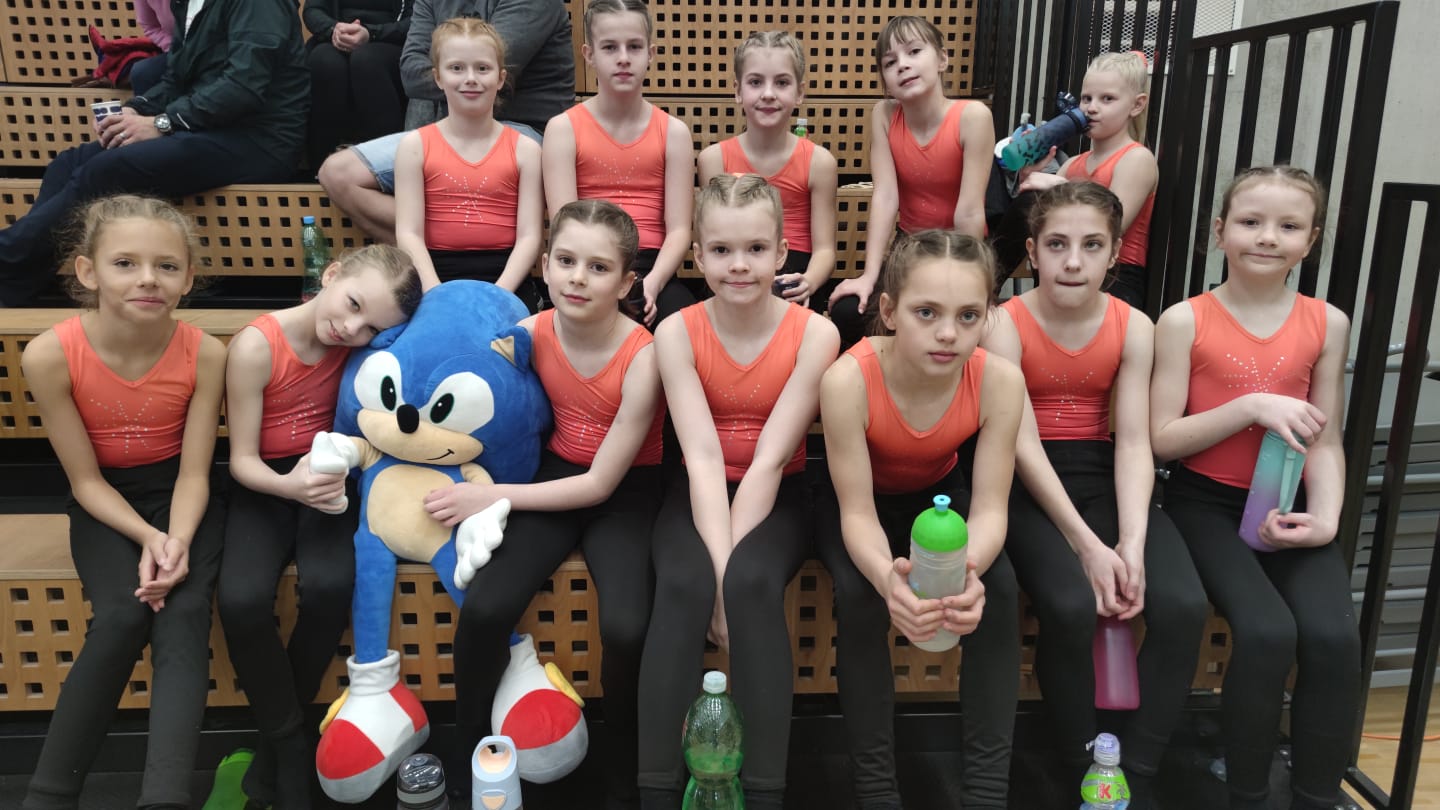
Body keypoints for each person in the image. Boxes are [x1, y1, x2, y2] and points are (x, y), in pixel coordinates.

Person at [425, 200, 665, 807]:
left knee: (626, 626)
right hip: (551, 475)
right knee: (485, 608)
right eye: (566, 261)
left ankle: (623, 764)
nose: (578, 278)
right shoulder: (528, 334)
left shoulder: (645, 356)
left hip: (625, 490)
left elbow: (600, 485)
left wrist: (489, 495)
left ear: (627, 282)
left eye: (599, 267)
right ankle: (471, 752)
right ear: (545, 265)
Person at [981, 182, 1205, 808]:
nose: (1073, 261)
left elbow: (1132, 441)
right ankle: (1083, 754)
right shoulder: (1004, 322)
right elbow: (1020, 443)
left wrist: (1130, 542)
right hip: (1025, 483)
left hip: (1105, 475)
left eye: (1090, 246)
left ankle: (1138, 761)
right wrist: (1087, 546)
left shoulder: (1135, 326)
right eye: (1056, 245)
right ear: (1032, 252)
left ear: (1114, 254)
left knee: (1183, 605)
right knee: (1072, 605)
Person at [1151, 166, 1358, 810]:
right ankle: (1247, 795)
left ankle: (1318, 797)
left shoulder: (1328, 322)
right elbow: (1162, 438)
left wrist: (1325, 519)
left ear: (1310, 241)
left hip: (1291, 502)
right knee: (1267, 633)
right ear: (1220, 232)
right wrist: (1251, 407)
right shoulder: (1184, 320)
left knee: (1333, 639)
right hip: (1204, 505)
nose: (1268, 237)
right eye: (1250, 222)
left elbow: (1326, 439)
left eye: (1288, 226)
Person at [636, 175, 839, 810]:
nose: (739, 265)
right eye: (722, 250)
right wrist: (714, 580)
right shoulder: (676, 331)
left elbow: (771, 459)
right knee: (684, 583)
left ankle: (764, 790)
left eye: (755, 249)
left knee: (750, 585)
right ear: (698, 255)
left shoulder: (816, 334)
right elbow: (700, 458)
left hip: (781, 491)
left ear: (782, 253)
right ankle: (658, 788)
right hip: (697, 487)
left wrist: (729, 585)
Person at [19, 195, 227, 809]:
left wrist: (176, 540)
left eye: (167, 266)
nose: (148, 279)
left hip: (182, 498)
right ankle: (48, 795)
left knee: (183, 614)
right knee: (121, 615)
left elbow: (195, 473)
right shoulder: (49, 354)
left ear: (188, 278)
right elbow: (85, 482)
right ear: (88, 272)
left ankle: (164, 797)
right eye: (126, 263)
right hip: (106, 501)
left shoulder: (205, 353)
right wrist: (147, 538)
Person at [816, 230, 1024, 810]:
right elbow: (857, 512)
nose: (948, 333)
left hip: (938, 495)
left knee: (999, 590)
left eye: (968, 316)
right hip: (859, 502)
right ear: (888, 311)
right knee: (861, 597)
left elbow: (990, 507)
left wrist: (967, 573)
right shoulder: (847, 380)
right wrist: (890, 581)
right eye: (926, 312)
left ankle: (987, 793)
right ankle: (877, 791)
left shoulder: (1001, 381)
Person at [217, 244, 420, 808]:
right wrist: (290, 487)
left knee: (331, 587)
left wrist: (319, 485)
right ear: (331, 274)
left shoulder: (359, 351)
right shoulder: (257, 345)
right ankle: (287, 744)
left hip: (330, 481)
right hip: (267, 485)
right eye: (352, 304)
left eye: (370, 327)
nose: (351, 329)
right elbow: (242, 462)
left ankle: (275, 749)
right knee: (240, 600)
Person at [0, 0, 308, 307]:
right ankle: (14, 284)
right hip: (208, 127)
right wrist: (134, 110)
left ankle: (7, 256)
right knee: (69, 162)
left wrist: (163, 123)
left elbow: (242, 87)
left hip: (259, 141)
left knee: (107, 169)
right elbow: (176, 79)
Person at [317, 0, 575, 242]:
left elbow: (486, 76)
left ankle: (445, 251)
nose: (465, 75)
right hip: (449, 128)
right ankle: (436, 254)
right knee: (338, 173)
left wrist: (452, 71)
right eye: (452, 70)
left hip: (523, 130)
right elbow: (411, 74)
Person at [827, 16, 994, 348]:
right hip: (909, 248)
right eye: (890, 62)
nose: (902, 65)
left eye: (914, 51)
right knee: (850, 311)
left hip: (960, 246)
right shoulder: (884, 115)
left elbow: (969, 212)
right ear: (885, 80)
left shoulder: (972, 116)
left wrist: (970, 279)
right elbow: (886, 197)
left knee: (950, 320)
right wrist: (869, 275)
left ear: (942, 59)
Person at [542, 0, 695, 329]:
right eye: (610, 47)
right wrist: (599, 279)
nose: (623, 58)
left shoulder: (674, 133)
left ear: (650, 54)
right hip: (588, 264)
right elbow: (565, 223)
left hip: (652, 267)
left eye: (634, 47)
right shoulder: (563, 129)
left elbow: (680, 229)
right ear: (589, 55)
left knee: (683, 325)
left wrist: (652, 284)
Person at [393, 18, 543, 298]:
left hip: (505, 279)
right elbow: (409, 233)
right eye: (456, 68)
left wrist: (499, 294)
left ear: (500, 78)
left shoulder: (526, 150)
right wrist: (436, 293)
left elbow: (529, 236)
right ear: (438, 77)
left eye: (482, 68)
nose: (470, 78)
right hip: (433, 277)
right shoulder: (414, 147)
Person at [697, 30, 838, 311]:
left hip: (795, 271)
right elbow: (713, 241)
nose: (768, 94)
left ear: (799, 93)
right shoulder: (713, 160)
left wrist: (809, 281)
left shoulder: (819, 162)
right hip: (737, 265)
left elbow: (825, 249)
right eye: (755, 82)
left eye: (782, 82)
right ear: (738, 91)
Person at [1012, 52, 1157, 308]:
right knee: (1028, 202)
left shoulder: (1137, 158)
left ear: (1137, 105)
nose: (1091, 108)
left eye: (1107, 99)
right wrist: (1028, 176)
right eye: (1086, 98)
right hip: (1065, 264)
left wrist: (1060, 186)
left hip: (1116, 275)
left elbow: (1112, 225)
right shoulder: (1072, 164)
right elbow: (1041, 223)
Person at [302, 0, 413, 171]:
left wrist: (372, 33)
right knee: (324, 62)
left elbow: (415, 20)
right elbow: (313, 10)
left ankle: (384, 166)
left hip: (391, 42)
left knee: (366, 61)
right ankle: (320, 166)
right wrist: (334, 29)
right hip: (335, 38)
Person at [129, 0, 174, 95]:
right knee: (141, 72)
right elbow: (150, 26)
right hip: (176, 49)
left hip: (205, 48)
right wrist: (172, 46)